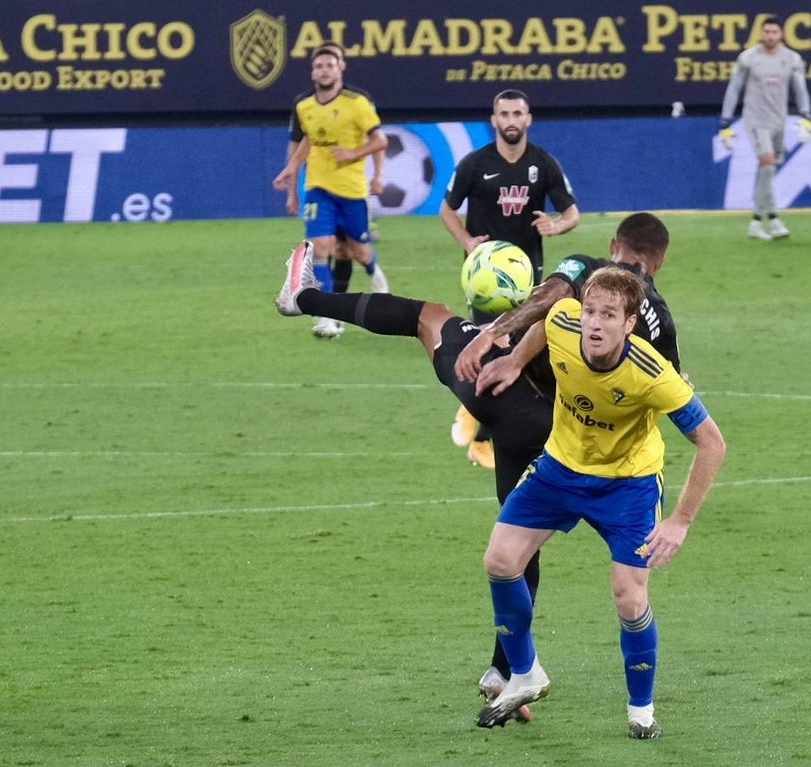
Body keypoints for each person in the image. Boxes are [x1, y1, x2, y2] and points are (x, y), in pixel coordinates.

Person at [275, 212, 682, 725]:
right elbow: (671, 389)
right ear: (659, 261)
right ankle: (505, 674)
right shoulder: (658, 319)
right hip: (570, 439)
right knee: (522, 550)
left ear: (614, 244)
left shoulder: (590, 272)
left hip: (508, 397)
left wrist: (494, 337)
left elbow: (550, 297)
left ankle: (304, 298)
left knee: (427, 316)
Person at [474, 267, 726, 739]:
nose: (594, 323)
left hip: (627, 486)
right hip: (560, 469)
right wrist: (514, 360)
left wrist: (680, 521)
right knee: (500, 560)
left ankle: (641, 709)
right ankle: (525, 674)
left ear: (629, 324)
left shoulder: (653, 374)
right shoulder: (564, 322)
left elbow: (712, 442)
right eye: (590, 311)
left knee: (629, 597)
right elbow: (545, 323)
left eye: (608, 315)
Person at [440, 88, 581, 468]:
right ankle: (484, 434)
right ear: (494, 119)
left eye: (517, 114)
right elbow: (447, 209)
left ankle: (482, 424)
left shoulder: (543, 163)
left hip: (530, 278)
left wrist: (556, 225)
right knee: (498, 347)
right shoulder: (474, 163)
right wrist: (467, 242)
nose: (511, 121)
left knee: (525, 354)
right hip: (486, 280)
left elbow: (572, 213)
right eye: (504, 114)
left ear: (528, 118)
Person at [273, 41, 389, 338]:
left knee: (357, 252)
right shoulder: (304, 105)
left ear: (340, 69)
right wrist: (291, 174)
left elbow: (380, 140)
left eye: (330, 65)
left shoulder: (357, 102)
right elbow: (307, 142)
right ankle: (326, 319)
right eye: (319, 66)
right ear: (312, 72)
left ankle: (377, 277)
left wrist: (359, 159)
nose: (324, 71)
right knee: (321, 248)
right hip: (318, 188)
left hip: (351, 191)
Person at [718, 16, 811, 241]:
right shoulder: (748, 58)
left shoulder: (791, 58)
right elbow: (734, 89)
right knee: (768, 164)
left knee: (768, 170)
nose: (770, 36)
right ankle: (765, 220)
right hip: (755, 119)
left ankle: (764, 221)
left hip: (779, 120)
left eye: (774, 32)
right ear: (761, 34)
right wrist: (725, 121)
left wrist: (806, 115)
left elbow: (800, 89)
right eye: (767, 32)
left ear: (781, 34)